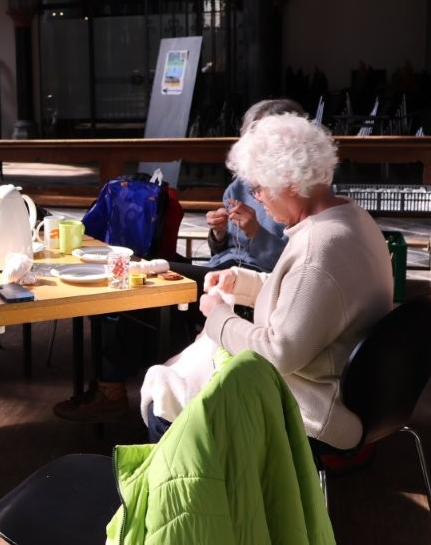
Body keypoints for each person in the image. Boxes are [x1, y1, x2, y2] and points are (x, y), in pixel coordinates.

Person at [141, 113, 393, 449]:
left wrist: (217, 316)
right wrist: (240, 281)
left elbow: (278, 353)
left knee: (165, 392)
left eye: (258, 188)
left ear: (289, 181)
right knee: (191, 365)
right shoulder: (350, 217)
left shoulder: (319, 248)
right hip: (345, 389)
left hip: (312, 411)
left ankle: (189, 497)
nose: (256, 198)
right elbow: (309, 295)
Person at [54, 98, 307, 424]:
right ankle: (124, 382)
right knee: (137, 268)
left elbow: (289, 266)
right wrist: (218, 233)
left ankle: (114, 390)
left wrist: (256, 231)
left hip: (253, 282)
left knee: (138, 276)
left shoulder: (292, 192)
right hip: (224, 268)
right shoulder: (239, 185)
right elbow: (221, 251)